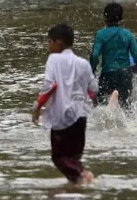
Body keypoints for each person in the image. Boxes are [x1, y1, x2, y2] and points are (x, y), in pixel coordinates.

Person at [32, 24, 98, 185]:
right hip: (81, 116)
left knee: (59, 157)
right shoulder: (83, 63)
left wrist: (37, 108)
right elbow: (93, 89)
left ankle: (83, 175)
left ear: (59, 42)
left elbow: (50, 86)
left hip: (63, 117)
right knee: (74, 157)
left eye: (50, 42)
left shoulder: (53, 60)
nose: (49, 45)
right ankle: (78, 188)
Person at [90, 3, 137, 108]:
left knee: (99, 104)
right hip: (125, 75)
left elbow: (95, 55)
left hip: (107, 74)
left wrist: (92, 71)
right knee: (126, 106)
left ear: (105, 17)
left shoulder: (100, 34)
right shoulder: (128, 34)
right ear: (121, 18)